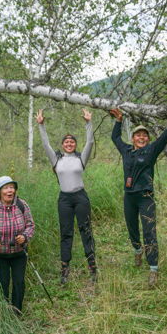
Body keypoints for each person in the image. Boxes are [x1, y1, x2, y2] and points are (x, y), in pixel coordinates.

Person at [109, 108, 167, 287]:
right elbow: (115, 138)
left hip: (145, 196)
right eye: (138, 135)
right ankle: (137, 249)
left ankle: (153, 269)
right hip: (129, 197)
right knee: (132, 227)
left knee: (149, 231)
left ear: (147, 139)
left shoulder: (151, 151)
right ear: (133, 138)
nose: (142, 138)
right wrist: (118, 121)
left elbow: (163, 138)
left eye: (145, 136)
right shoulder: (126, 150)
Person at [36, 107, 97, 284]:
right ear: (62, 145)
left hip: (80, 197)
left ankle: (92, 267)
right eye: (66, 142)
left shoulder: (81, 158)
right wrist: (41, 125)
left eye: (72, 142)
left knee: (86, 230)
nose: (69, 144)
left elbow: (90, 142)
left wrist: (88, 123)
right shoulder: (56, 159)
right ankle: (64, 269)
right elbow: (45, 144)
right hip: (64, 199)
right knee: (66, 233)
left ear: (75, 145)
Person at [0, 176, 35, 314]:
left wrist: (25, 236)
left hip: (19, 253)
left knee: (19, 283)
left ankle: (17, 313)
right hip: (0, 255)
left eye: (11, 187)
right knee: (2, 284)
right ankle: (3, 313)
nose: (10, 190)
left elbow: (30, 225)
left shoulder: (22, 205)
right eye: (6, 188)